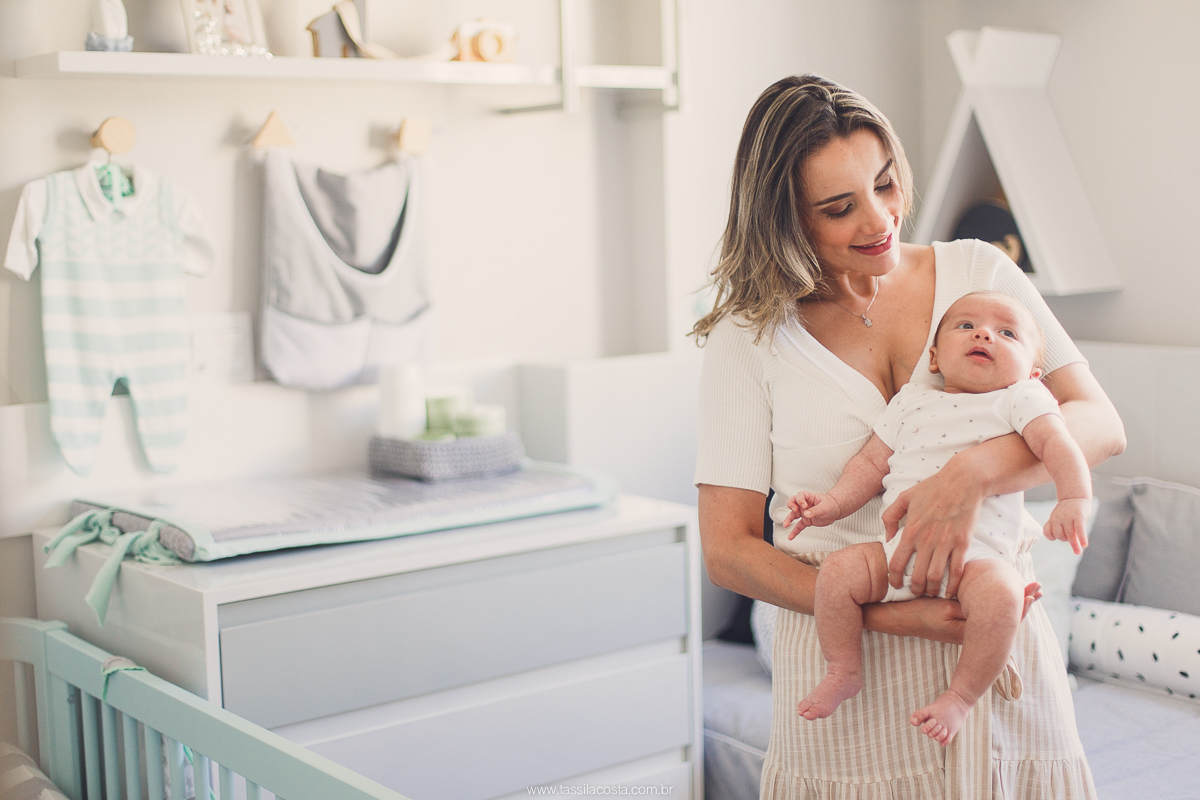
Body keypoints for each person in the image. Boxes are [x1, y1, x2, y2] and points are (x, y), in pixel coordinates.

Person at [693, 74, 1125, 798]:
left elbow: (1098, 423)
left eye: (886, 183)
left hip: (996, 657)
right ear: (784, 220)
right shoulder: (750, 334)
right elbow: (728, 550)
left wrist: (971, 476)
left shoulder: (980, 274)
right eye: (840, 208)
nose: (880, 219)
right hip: (844, 674)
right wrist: (893, 617)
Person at [779, 291, 1092, 747]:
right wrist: (832, 504)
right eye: (966, 326)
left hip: (976, 561)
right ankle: (843, 669)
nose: (984, 334)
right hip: (896, 553)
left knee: (1004, 595)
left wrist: (1074, 497)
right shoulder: (911, 401)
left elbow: (1058, 444)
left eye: (1007, 333)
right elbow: (871, 464)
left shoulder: (1019, 399)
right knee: (838, 572)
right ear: (933, 356)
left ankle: (960, 697)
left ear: (1032, 373)